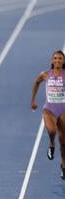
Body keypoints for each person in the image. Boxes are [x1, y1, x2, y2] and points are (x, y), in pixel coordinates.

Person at [31, 50, 65, 179]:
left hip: (63, 109)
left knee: (63, 142)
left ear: (64, 61)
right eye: (55, 58)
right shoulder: (45, 75)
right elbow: (36, 83)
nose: (57, 60)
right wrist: (33, 100)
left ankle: (63, 166)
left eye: (60, 58)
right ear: (52, 60)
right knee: (51, 131)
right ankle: (51, 145)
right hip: (49, 109)